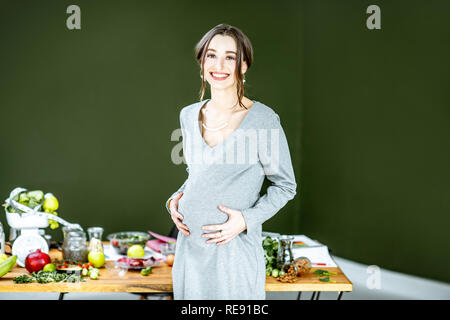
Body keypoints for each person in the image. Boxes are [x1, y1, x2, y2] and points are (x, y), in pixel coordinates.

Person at [165, 23, 297, 300]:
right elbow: (199, 173)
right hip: (189, 248)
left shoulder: (264, 120)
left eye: (230, 56)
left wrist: (245, 220)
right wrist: (176, 197)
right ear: (201, 62)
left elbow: (285, 186)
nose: (219, 64)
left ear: (244, 65)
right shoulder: (188, 115)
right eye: (211, 55)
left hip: (233, 253)